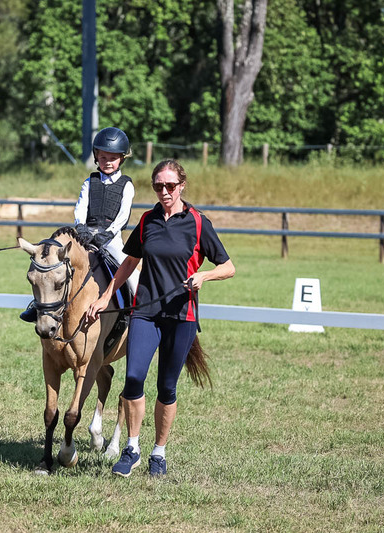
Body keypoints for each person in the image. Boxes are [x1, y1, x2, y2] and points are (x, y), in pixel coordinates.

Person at [86, 159, 235, 477]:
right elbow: (129, 263)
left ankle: (159, 453)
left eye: (170, 186)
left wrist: (204, 277)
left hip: (182, 316)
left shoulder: (197, 223)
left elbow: (228, 266)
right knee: (133, 380)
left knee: (167, 387)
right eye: (158, 186)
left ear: (182, 186)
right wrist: (104, 297)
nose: (164, 191)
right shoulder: (147, 220)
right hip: (146, 314)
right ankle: (132, 448)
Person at [20, 126, 139, 322]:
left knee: (132, 276)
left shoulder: (126, 184)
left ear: (122, 158)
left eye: (113, 158)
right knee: (53, 264)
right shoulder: (89, 182)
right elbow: (80, 208)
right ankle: (38, 306)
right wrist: (81, 228)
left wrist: (107, 234)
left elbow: (123, 216)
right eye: (103, 158)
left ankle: (135, 313)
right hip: (85, 236)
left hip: (111, 239)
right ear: (96, 157)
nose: (107, 162)